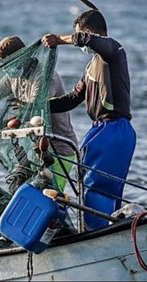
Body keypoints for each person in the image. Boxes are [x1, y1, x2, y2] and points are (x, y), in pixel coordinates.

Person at [41, 9, 136, 230]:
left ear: (89, 32)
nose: (81, 45)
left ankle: (95, 235)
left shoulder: (113, 50)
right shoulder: (90, 67)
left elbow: (84, 40)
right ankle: (107, 233)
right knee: (99, 189)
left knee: (97, 188)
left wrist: (58, 39)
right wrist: (39, 105)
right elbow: (72, 99)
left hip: (114, 129)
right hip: (103, 132)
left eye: (80, 35)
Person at [0, 36, 78, 192]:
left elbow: (37, 109)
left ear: (23, 57)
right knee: (31, 193)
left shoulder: (46, 76)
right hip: (34, 150)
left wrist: (24, 108)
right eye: (2, 64)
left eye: (8, 63)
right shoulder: (13, 77)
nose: (6, 68)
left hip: (59, 149)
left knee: (52, 195)